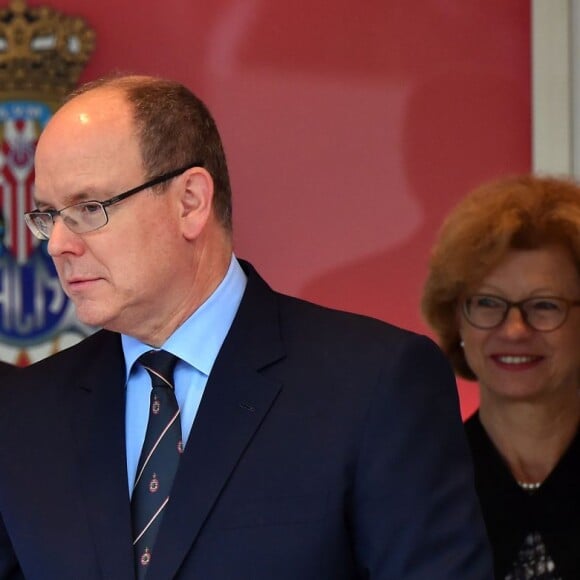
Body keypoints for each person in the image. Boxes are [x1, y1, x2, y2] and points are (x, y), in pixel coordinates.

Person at [0, 74, 492, 579]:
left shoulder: (375, 386)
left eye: (87, 208)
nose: (58, 243)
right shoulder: (25, 413)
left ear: (190, 201)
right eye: (48, 215)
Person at [422, 174, 580, 579]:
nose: (513, 330)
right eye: (488, 302)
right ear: (456, 319)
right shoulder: (420, 487)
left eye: (544, 305)